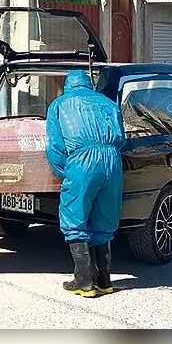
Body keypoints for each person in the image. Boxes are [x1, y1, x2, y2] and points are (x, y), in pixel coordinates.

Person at [46, 70, 126, 297]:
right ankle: (104, 280)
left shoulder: (59, 105)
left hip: (81, 161)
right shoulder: (108, 103)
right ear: (89, 85)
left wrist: (66, 172)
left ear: (68, 85)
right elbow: (121, 136)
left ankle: (83, 281)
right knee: (105, 218)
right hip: (112, 160)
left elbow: (55, 147)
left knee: (74, 215)